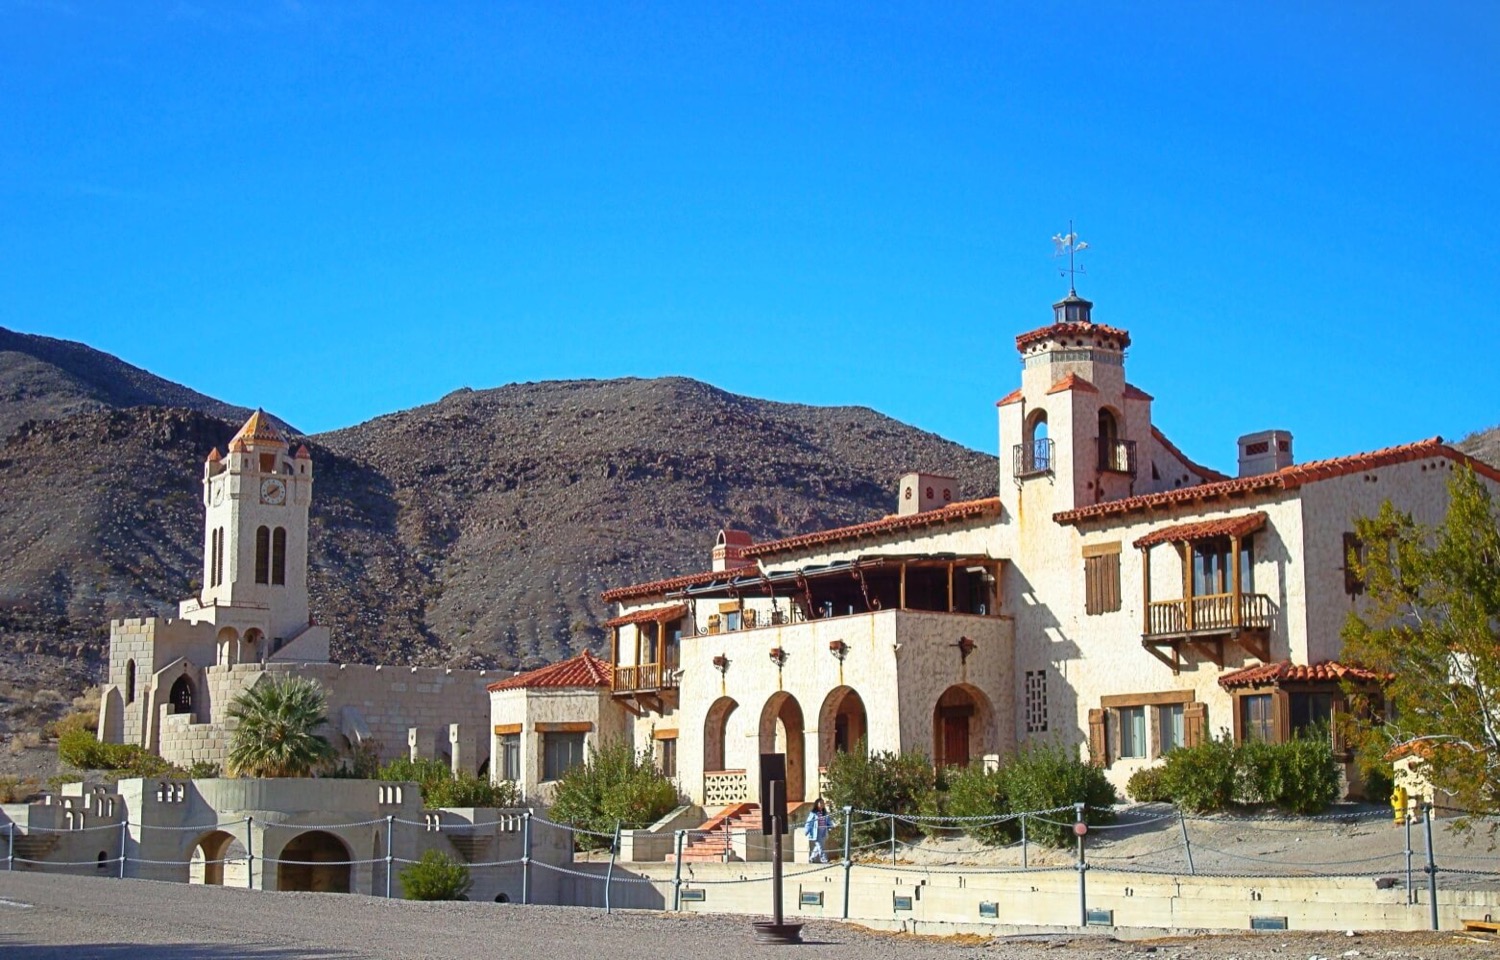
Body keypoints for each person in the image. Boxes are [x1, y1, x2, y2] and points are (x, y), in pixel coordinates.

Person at [805, 797, 833, 863]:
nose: (822, 804)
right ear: (817, 804)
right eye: (820, 803)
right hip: (816, 831)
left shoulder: (825, 813)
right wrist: (807, 830)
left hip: (823, 831)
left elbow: (828, 821)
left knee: (818, 846)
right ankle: (824, 860)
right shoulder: (813, 813)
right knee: (821, 846)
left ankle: (811, 858)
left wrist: (831, 826)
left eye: (823, 803)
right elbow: (809, 822)